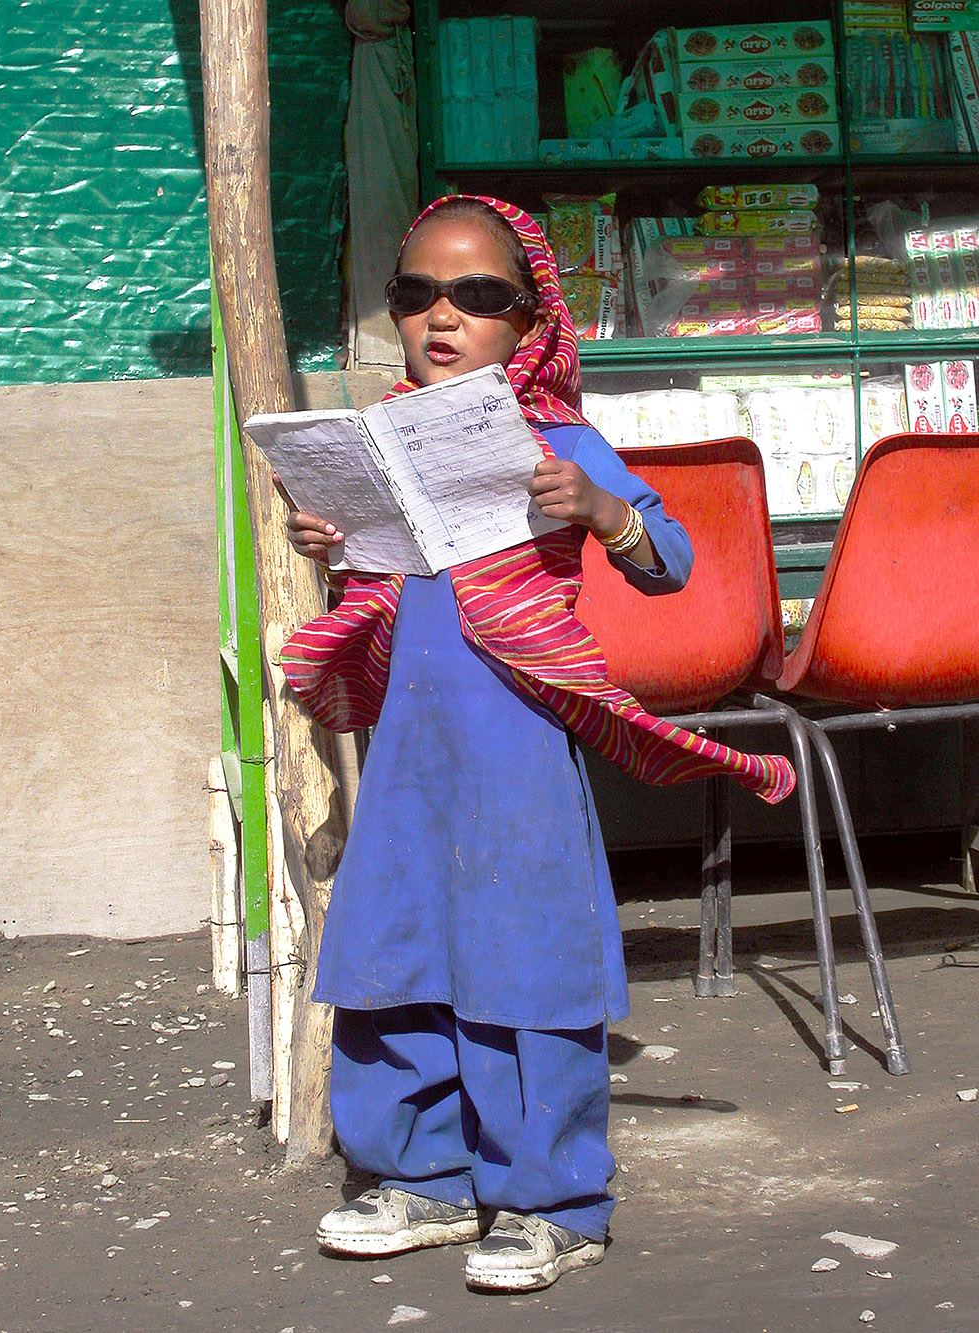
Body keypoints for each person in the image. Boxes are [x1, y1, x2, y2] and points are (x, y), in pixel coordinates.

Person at [280, 195, 794, 1293]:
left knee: (525, 959)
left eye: (477, 296)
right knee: (396, 951)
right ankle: (421, 1177)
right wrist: (328, 538)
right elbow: (375, 584)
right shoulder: (377, 437)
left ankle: (550, 1200)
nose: (442, 317)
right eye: (415, 294)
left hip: (514, 745)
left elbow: (669, 560)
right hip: (409, 750)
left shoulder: (557, 439)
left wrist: (599, 509)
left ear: (533, 319)